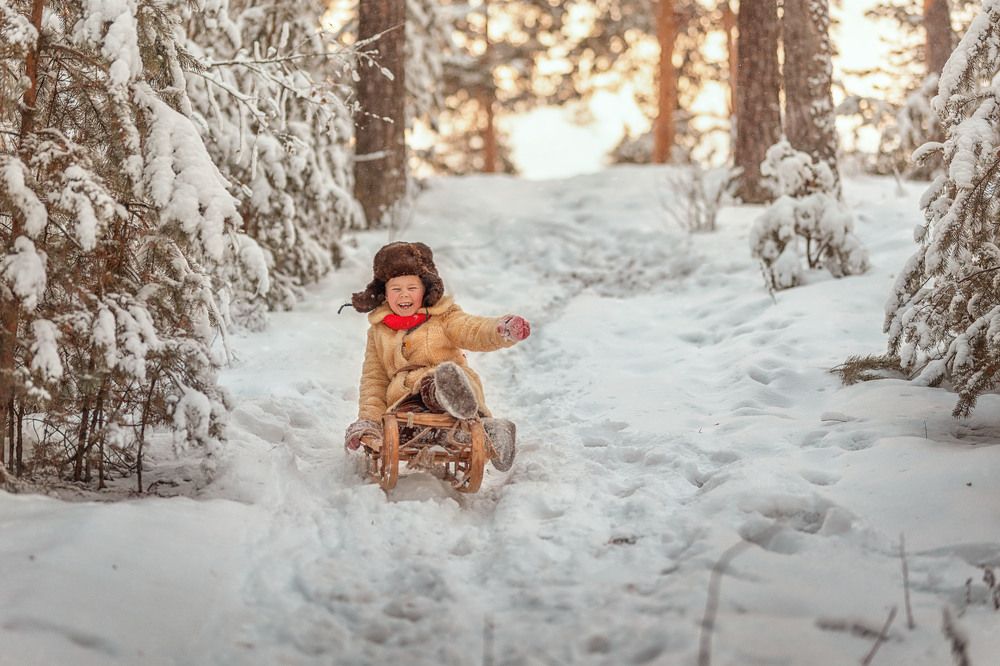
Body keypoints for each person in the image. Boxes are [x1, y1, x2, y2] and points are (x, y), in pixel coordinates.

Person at [344, 241, 531, 471]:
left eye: (412, 288)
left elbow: (471, 329)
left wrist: (501, 329)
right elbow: (374, 379)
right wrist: (369, 421)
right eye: (396, 289)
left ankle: (448, 391)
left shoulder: (445, 317)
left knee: (435, 381)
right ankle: (486, 433)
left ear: (425, 290)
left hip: (449, 391)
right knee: (411, 429)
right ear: (384, 292)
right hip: (405, 405)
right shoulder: (379, 332)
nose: (404, 295)